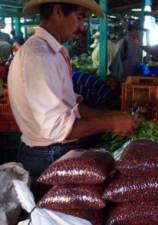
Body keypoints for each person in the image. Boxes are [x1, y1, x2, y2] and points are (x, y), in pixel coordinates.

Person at [8, 0, 137, 200]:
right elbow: (58, 128)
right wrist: (110, 123)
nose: (82, 26)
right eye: (80, 17)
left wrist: (112, 115)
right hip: (47, 156)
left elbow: (71, 107)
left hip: (50, 153)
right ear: (58, 12)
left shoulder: (55, 53)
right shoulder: (40, 57)